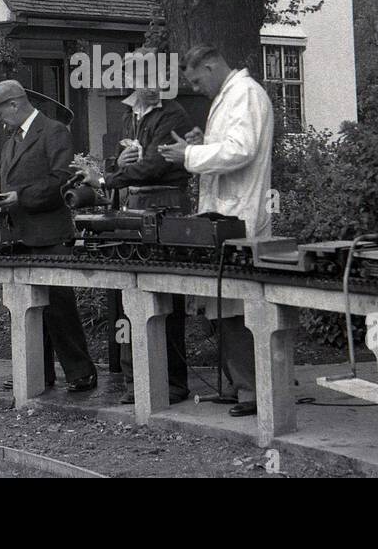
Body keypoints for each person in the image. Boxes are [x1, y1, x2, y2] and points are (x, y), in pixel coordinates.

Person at [158, 44, 273, 417]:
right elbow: (227, 148)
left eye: (195, 80)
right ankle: (241, 385)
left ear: (210, 66)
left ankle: (252, 391)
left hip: (240, 218)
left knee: (235, 310)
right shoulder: (229, 96)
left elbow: (241, 151)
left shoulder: (245, 95)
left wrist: (189, 157)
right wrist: (201, 145)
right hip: (223, 217)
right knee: (222, 308)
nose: (196, 88)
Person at [0, 79, 97, 393]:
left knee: (60, 307)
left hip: (51, 235)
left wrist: (22, 196)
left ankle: (81, 372)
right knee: (27, 308)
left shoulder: (54, 131)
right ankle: (35, 370)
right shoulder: (12, 143)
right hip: (20, 236)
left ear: (14, 104)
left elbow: (62, 180)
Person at [102, 49, 193, 405]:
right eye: (139, 77)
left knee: (165, 294)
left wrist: (111, 176)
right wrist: (117, 164)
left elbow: (156, 164)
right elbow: (127, 161)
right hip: (135, 204)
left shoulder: (173, 113)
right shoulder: (128, 115)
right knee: (130, 295)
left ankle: (172, 382)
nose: (148, 84)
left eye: (152, 77)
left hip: (167, 205)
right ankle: (134, 380)